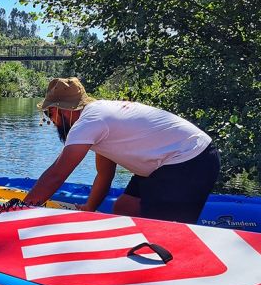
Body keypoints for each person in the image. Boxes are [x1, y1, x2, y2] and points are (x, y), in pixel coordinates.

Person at [23, 77, 220, 224]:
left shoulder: (89, 122)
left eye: (49, 114)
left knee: (162, 231)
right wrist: (89, 207)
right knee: (125, 207)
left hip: (189, 159)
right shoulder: (97, 116)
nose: (51, 121)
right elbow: (105, 173)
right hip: (169, 160)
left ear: (61, 110)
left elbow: (56, 174)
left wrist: (21, 210)